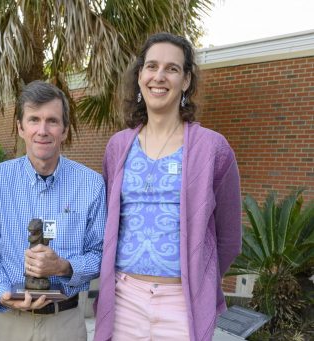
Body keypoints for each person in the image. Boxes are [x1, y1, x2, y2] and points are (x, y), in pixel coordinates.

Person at [93, 32, 242, 341]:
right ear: (139, 76)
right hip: (124, 300)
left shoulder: (213, 148)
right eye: (151, 66)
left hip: (182, 304)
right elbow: (109, 222)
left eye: (171, 69)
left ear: (186, 80)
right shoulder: (118, 146)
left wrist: (200, 279)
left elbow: (229, 237)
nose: (159, 76)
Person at [0, 80, 107, 341]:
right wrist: (2, 292)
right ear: (21, 127)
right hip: (6, 324)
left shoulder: (90, 184)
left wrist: (64, 266)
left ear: (65, 130)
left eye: (52, 121)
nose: (42, 130)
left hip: (64, 323)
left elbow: (100, 254)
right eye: (34, 119)